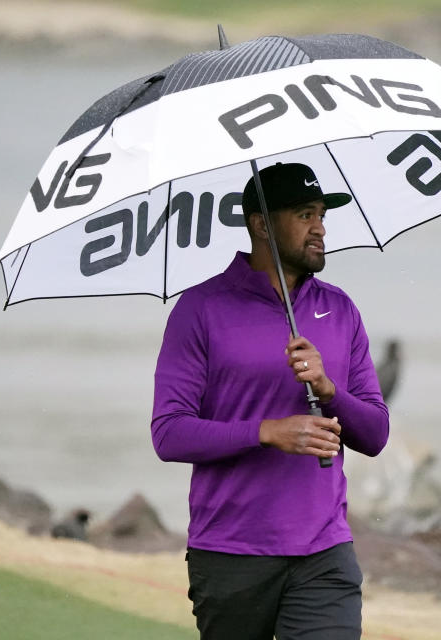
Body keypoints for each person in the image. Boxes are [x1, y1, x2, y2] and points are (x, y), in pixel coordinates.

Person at [150, 162, 389, 640]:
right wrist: (268, 432)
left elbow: (376, 434)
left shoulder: (339, 309)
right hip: (231, 554)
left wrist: (329, 391)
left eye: (321, 213)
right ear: (261, 224)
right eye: (304, 214)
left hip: (325, 550)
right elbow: (169, 432)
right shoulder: (201, 310)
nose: (320, 228)